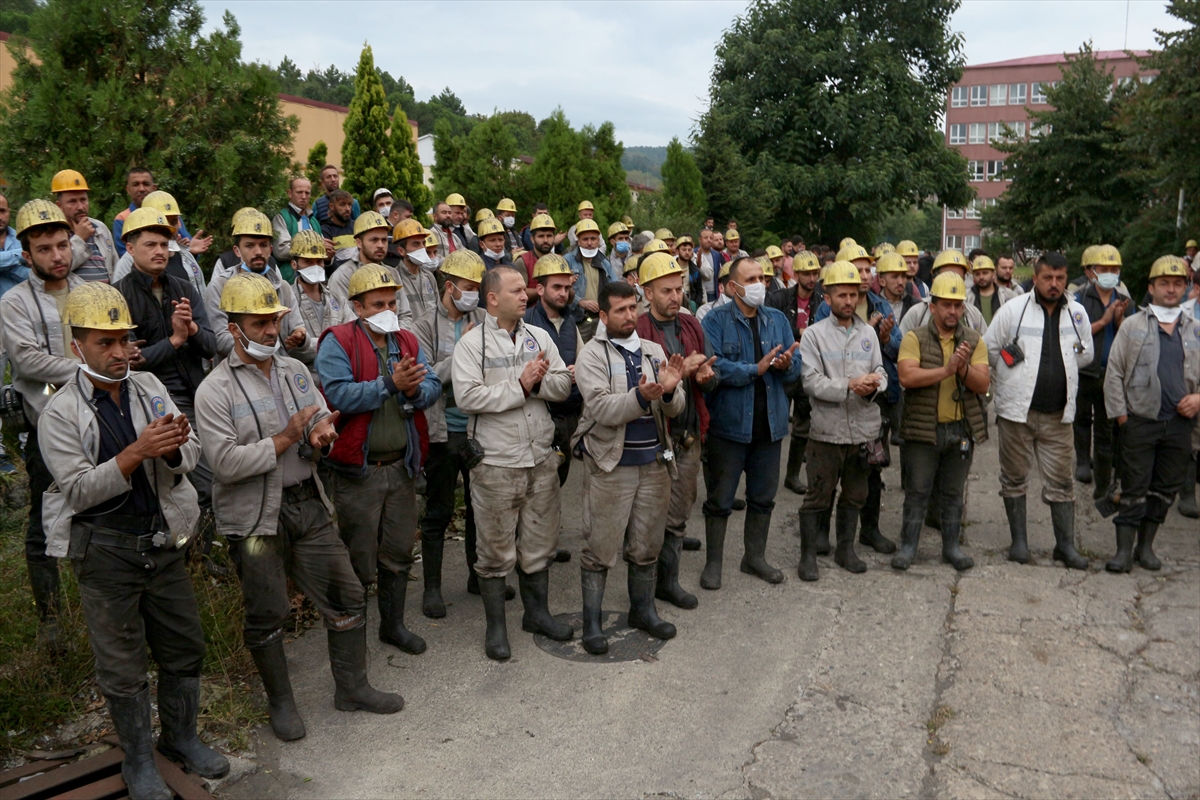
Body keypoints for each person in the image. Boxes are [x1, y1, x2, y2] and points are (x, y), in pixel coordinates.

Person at [39, 283, 228, 798]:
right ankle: (140, 762)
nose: (120, 352)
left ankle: (181, 739)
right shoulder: (59, 413)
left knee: (184, 646)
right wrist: (136, 453)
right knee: (122, 668)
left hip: (162, 541)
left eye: (124, 340)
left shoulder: (149, 387)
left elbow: (190, 456)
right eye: (106, 343)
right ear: (76, 346)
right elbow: (77, 490)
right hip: (104, 552)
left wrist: (171, 452)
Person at [196, 272, 401, 742]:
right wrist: (288, 436)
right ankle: (281, 704)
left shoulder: (294, 371)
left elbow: (319, 424)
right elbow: (225, 465)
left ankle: (352, 688)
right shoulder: (214, 390)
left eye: (274, 320)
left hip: (307, 503)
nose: (271, 331)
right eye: (259, 322)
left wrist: (319, 438)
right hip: (253, 521)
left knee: (347, 594)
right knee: (267, 613)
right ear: (233, 328)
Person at [315, 264, 440, 655]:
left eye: (392, 302)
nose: (388, 309)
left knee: (399, 551)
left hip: (401, 467)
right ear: (357, 306)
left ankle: (393, 626)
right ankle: (353, 637)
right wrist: (391, 384)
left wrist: (415, 391)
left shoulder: (405, 340)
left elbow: (432, 383)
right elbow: (337, 395)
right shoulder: (337, 342)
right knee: (358, 558)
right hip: (360, 473)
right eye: (377, 303)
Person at [450, 266, 575, 660]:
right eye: (517, 290)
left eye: (526, 290)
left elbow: (563, 386)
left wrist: (537, 382)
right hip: (496, 463)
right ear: (492, 299)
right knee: (494, 552)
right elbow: (468, 397)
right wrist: (519, 386)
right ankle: (496, 629)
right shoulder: (472, 345)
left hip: (540, 458)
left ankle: (537, 615)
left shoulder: (539, 336)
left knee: (539, 543)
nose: (527, 296)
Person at [573, 281, 685, 654]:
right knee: (600, 547)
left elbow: (676, 406)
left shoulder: (654, 350)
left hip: (653, 463)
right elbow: (601, 409)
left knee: (647, 544)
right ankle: (592, 623)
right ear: (602, 315)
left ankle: (643, 610)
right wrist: (640, 396)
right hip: (611, 465)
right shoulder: (592, 354)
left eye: (631, 308)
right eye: (618, 310)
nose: (628, 316)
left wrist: (669, 391)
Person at [114, 206, 219, 567]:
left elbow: (211, 345)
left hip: (196, 393)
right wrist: (175, 340)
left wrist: (190, 331)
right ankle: (190, 558)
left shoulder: (184, 287)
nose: (160, 251)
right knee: (188, 482)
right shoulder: (120, 295)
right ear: (130, 248)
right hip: (150, 402)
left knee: (207, 480)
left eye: (165, 244)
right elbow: (131, 361)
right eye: (150, 244)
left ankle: (203, 556)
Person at [1, 200, 84, 651]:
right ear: (26, 254)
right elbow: (28, 360)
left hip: (102, 419)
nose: (57, 255)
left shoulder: (91, 289)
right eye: (45, 248)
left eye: (62, 245)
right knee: (46, 520)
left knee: (108, 509)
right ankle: (51, 620)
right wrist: (88, 370)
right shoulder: (14, 302)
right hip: (48, 425)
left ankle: (108, 604)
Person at [413, 250, 511, 614]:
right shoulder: (422, 325)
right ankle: (432, 589)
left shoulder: (486, 318)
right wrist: (464, 352)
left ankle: (477, 576)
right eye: (469, 288)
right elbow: (426, 379)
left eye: (478, 288)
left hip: (478, 428)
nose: (474, 295)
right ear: (449, 286)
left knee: (478, 508)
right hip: (442, 432)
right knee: (438, 511)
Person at [983, 252, 1093, 569]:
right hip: (1017, 414)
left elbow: (1086, 352)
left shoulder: (1077, 314)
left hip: (1059, 416)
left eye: (1060, 278)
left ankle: (1065, 546)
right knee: (1014, 477)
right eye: (1048, 277)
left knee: (1062, 482)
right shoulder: (1013, 311)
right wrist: (1011, 360)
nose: (1054, 284)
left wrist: (1065, 360)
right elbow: (988, 348)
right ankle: (1019, 543)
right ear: (1035, 276)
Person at [700, 256, 801, 589]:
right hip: (729, 427)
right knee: (719, 501)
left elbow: (796, 365)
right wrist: (752, 370)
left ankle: (754, 557)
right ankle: (713, 563)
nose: (761, 284)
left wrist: (786, 364)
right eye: (753, 278)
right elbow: (713, 366)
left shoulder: (777, 320)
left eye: (764, 277)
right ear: (733, 287)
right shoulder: (714, 321)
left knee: (762, 498)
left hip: (770, 427)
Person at [1102, 256, 1200, 571]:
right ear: (1151, 288)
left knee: (1164, 489)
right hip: (1139, 422)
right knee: (1133, 486)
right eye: (1164, 284)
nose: (1171, 290)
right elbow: (1114, 373)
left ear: (1186, 289)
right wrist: (1122, 418)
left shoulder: (1195, 330)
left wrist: (1198, 398)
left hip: (1179, 425)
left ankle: (1146, 549)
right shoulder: (1132, 326)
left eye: (1177, 284)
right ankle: (1122, 552)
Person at [635, 252, 719, 605]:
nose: (675, 297)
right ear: (647, 293)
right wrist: (682, 374)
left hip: (688, 434)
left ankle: (667, 583)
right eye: (666, 290)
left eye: (679, 288)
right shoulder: (638, 330)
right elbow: (640, 386)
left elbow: (711, 375)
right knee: (650, 514)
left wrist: (705, 377)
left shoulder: (691, 326)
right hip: (656, 436)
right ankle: (644, 590)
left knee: (680, 512)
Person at [795, 262, 888, 580]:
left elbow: (881, 371)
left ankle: (846, 549)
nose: (849, 301)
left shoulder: (868, 335)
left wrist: (875, 384)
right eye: (841, 295)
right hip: (827, 432)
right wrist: (849, 384)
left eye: (853, 294)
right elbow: (810, 382)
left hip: (862, 430)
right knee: (818, 494)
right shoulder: (814, 336)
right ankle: (808, 555)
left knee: (856, 493)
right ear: (828, 296)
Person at [893, 273, 990, 571]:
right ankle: (908, 546)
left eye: (958, 306)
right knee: (918, 490)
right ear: (932, 306)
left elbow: (983, 383)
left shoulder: (973, 340)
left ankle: (952, 547)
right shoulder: (914, 338)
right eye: (946, 305)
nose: (953, 311)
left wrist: (962, 371)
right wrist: (947, 369)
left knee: (952, 492)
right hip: (923, 429)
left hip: (960, 429)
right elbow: (907, 377)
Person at [204, 210, 312, 361]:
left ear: (271, 250)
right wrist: (265, 343)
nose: (258, 252)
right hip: (238, 374)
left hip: (278, 371)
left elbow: (298, 330)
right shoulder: (220, 287)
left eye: (263, 245)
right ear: (237, 250)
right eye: (249, 245)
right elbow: (220, 341)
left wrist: (300, 337)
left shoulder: (283, 288)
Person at [523, 254, 585, 489]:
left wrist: (581, 370)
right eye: (557, 287)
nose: (563, 293)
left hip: (570, 415)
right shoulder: (526, 322)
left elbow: (584, 357)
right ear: (539, 289)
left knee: (559, 481)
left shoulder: (570, 320)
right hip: (541, 415)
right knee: (538, 487)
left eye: (568, 287)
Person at [1073, 244, 1131, 493]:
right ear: (1093, 271)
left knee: (1106, 428)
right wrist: (1104, 321)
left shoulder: (1126, 300)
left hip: (1112, 373)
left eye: (1114, 268)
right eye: (1104, 268)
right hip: (1085, 370)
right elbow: (1072, 339)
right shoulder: (1080, 299)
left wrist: (1118, 323)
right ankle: (1083, 462)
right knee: (1082, 419)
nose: (1110, 273)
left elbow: (1132, 338)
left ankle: (1104, 484)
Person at [769, 250, 823, 495]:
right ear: (796, 274)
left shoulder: (822, 299)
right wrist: (802, 334)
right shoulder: (779, 298)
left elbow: (823, 331)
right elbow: (775, 330)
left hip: (810, 367)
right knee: (775, 422)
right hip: (784, 366)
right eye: (807, 273)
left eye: (815, 273)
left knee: (803, 424)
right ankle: (767, 474)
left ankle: (792, 476)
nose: (812, 278)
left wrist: (801, 335)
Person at [112, 192, 208, 298]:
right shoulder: (128, 262)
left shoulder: (186, 255)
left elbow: (201, 298)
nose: (170, 228)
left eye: (174, 221)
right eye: (164, 221)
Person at [286, 229, 353, 382]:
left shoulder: (338, 300)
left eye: (319, 261)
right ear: (294, 264)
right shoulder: (287, 300)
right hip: (305, 381)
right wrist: (336, 346)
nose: (315, 266)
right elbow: (291, 350)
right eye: (308, 262)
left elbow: (353, 337)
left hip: (340, 378)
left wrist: (307, 344)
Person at [326, 212, 412, 325]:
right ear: (359, 243)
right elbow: (344, 322)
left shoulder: (392, 273)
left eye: (384, 240)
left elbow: (405, 315)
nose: (380, 245)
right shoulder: (343, 276)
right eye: (374, 240)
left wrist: (396, 340)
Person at [112, 168, 199, 257]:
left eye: (146, 184)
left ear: (154, 188)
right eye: (136, 184)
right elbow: (125, 255)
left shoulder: (171, 214)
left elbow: (188, 247)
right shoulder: (123, 218)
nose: (141, 189)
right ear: (128, 189)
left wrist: (190, 250)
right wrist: (171, 248)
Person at [901, 250, 988, 336]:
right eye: (948, 277)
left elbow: (984, 347)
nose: (954, 283)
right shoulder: (917, 314)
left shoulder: (974, 315)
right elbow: (902, 346)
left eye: (959, 279)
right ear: (934, 279)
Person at [54, 169, 117, 283]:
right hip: (74, 299)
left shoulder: (100, 228)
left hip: (107, 297)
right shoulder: (54, 233)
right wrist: (79, 239)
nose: (80, 207)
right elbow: (58, 270)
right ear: (59, 206)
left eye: (83, 200)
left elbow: (115, 265)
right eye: (72, 201)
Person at [564, 218, 618, 340]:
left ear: (598, 241)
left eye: (593, 239)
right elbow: (561, 289)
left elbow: (615, 287)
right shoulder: (568, 260)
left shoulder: (604, 262)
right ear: (578, 242)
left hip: (601, 320)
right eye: (585, 239)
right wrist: (580, 302)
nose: (589, 243)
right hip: (578, 321)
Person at [272, 176, 327, 280]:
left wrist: (329, 252)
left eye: (307, 193)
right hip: (291, 277)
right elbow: (281, 250)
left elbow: (322, 249)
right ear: (290, 193)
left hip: (317, 276)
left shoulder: (314, 221)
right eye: (299, 192)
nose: (303, 196)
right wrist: (311, 249)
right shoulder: (281, 217)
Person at [389, 219, 440, 324]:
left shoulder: (429, 277)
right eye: (416, 244)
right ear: (401, 251)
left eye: (423, 243)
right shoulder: (394, 279)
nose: (422, 248)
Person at [517, 213, 558, 303]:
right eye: (541, 236)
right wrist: (547, 291)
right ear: (532, 239)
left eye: (549, 236)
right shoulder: (523, 261)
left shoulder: (559, 261)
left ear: (554, 237)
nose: (546, 240)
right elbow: (519, 292)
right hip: (530, 314)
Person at [966, 255, 1017, 326]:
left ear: (993, 274)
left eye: (985, 273)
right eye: (977, 274)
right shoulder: (966, 297)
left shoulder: (1009, 295)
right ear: (973, 276)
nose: (981, 277)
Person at [695, 229, 727, 303]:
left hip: (715, 292)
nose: (709, 240)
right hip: (701, 293)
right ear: (700, 239)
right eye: (705, 238)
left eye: (711, 238)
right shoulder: (694, 253)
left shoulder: (716, 254)